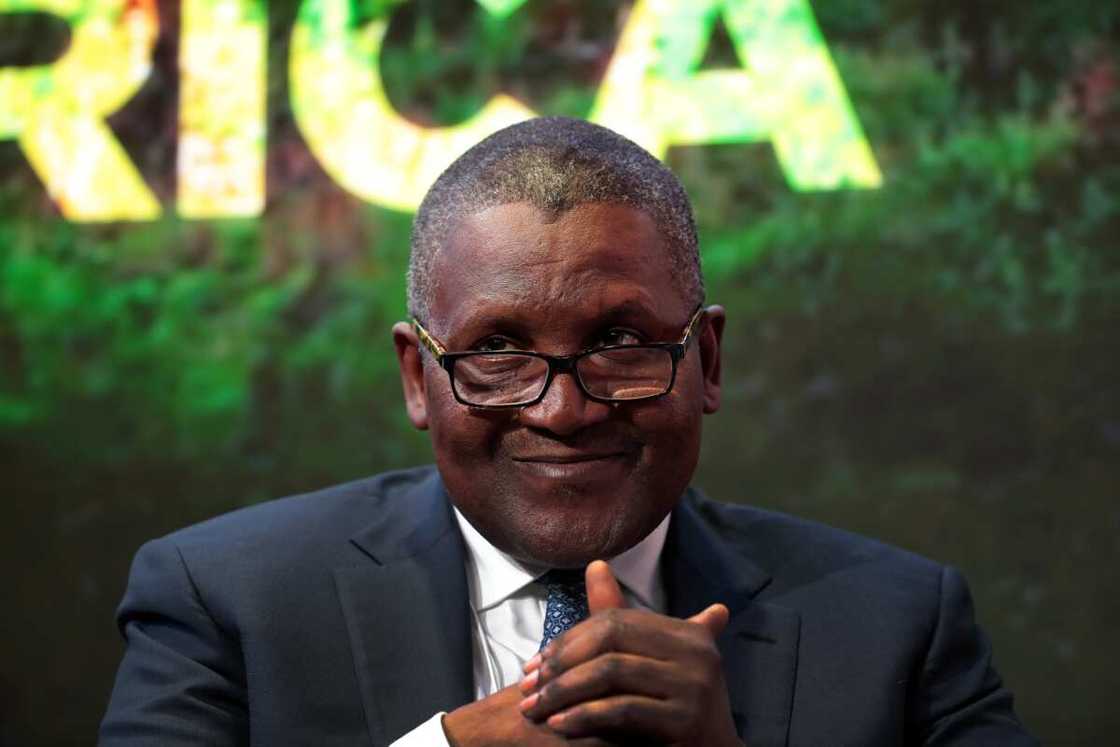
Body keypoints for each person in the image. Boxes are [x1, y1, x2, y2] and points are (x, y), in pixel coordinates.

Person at [100, 117, 1037, 746]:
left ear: (707, 360)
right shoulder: (223, 599)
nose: (563, 409)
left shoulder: (898, 625)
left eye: (622, 341)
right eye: (497, 350)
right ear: (416, 377)